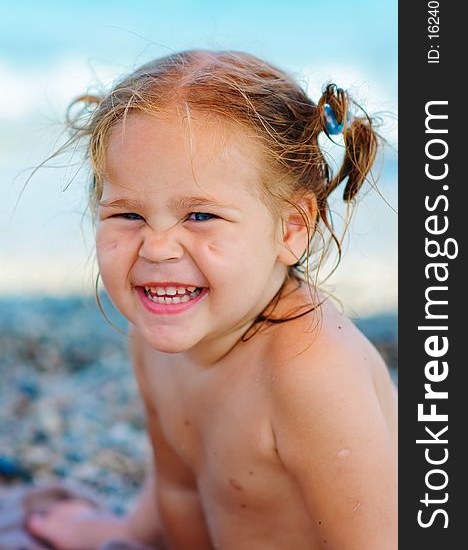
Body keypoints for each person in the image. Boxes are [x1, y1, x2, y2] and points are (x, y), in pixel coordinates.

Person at [27, 50, 397, 549]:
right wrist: (118, 535)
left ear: (292, 228)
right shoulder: (153, 338)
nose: (156, 248)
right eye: (127, 215)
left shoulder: (311, 375)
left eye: (200, 216)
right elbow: (178, 485)